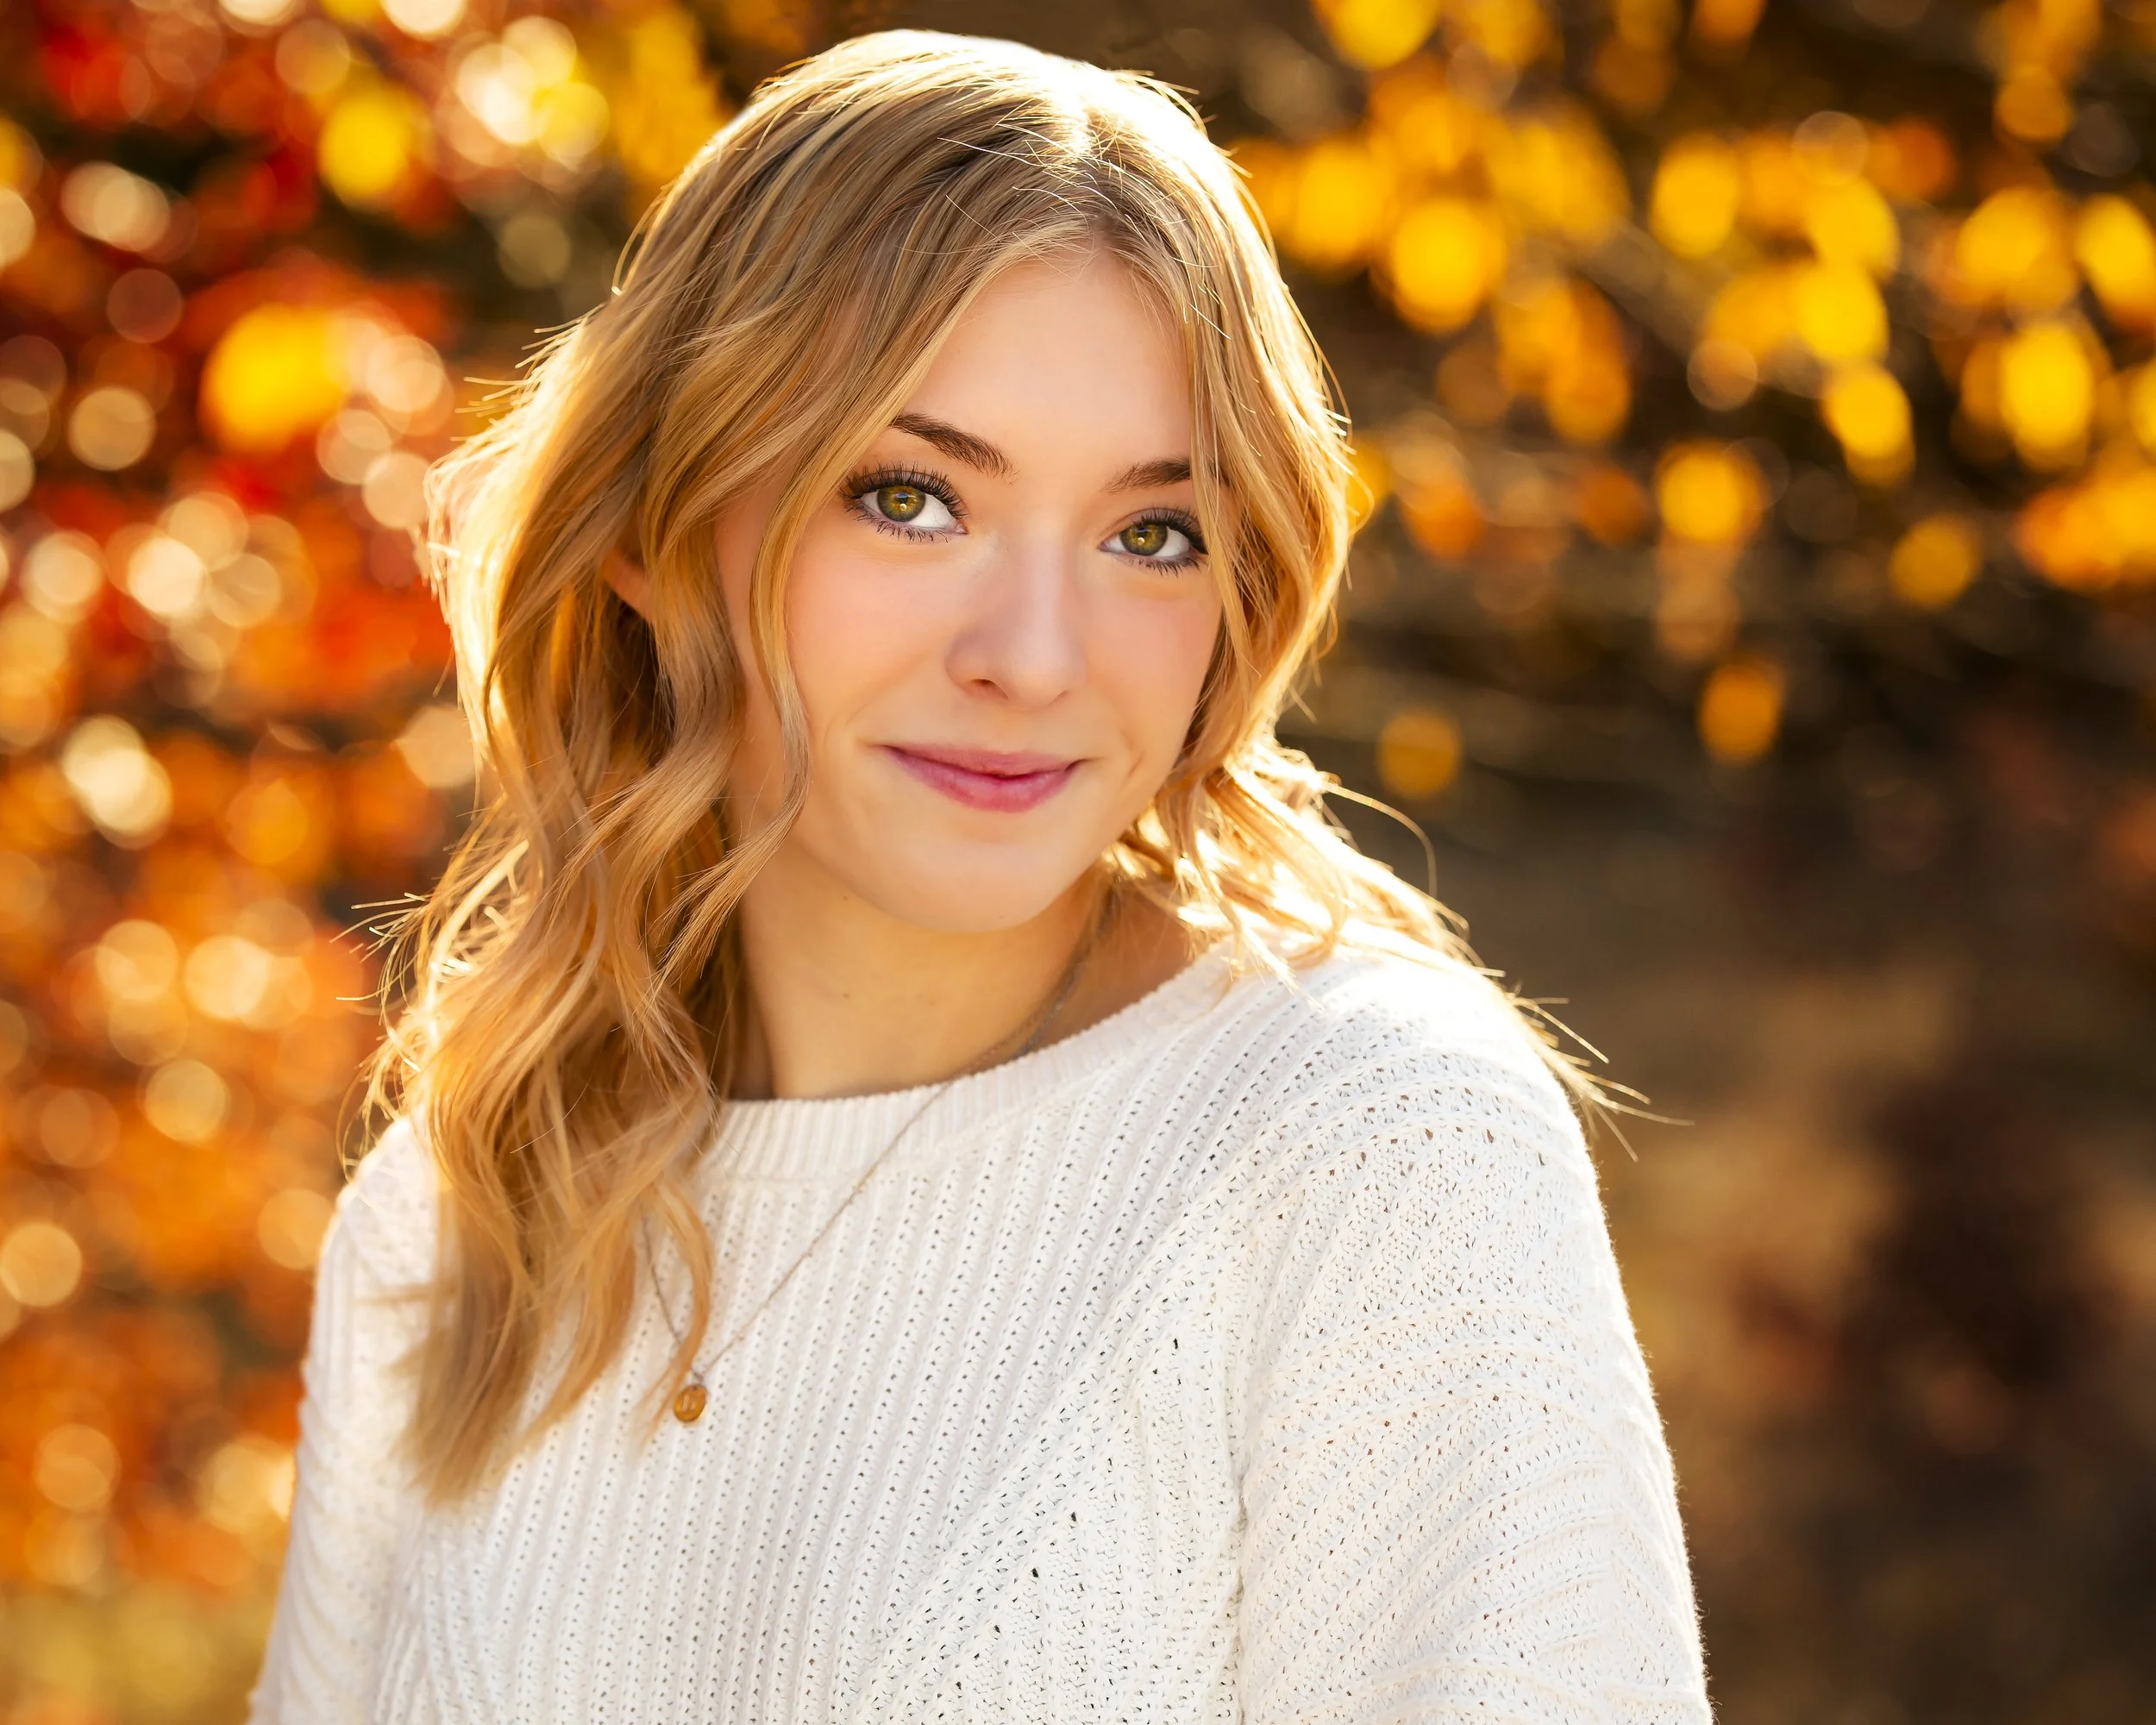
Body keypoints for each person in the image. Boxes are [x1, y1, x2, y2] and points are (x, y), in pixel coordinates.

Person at [248, 28, 1711, 1723]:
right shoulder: (459, 1220)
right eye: (908, 497)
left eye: (1148, 533)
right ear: (650, 530)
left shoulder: (1366, 1147)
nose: (1033, 656)